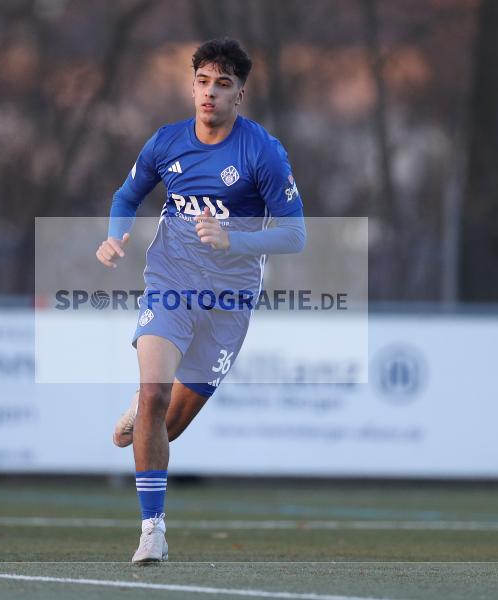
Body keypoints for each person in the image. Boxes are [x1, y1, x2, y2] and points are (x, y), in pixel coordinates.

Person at [95, 37, 306, 564]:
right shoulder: (166, 144)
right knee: (154, 395)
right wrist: (116, 234)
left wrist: (236, 239)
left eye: (223, 85)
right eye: (203, 82)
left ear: (241, 95)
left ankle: (143, 417)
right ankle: (152, 531)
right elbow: (127, 196)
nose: (210, 93)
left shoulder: (263, 152)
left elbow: (295, 234)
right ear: (192, 86)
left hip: (229, 302)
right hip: (171, 282)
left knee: (168, 424)